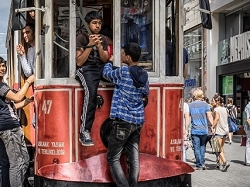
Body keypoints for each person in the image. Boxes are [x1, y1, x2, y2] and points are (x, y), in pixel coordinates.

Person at [103, 42, 149, 187]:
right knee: (133, 158)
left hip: (123, 120)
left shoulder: (124, 71)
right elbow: (145, 93)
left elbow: (106, 74)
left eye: (123, 53)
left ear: (128, 57)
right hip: (137, 121)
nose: (121, 55)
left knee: (113, 158)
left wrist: (109, 62)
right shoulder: (144, 74)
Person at [75, 11, 109, 146]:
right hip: (86, 69)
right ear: (88, 24)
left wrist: (100, 46)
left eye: (99, 23)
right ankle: (85, 131)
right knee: (91, 93)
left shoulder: (104, 39)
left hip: (100, 67)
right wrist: (90, 44)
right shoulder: (81, 38)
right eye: (94, 23)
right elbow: (79, 62)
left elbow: (105, 58)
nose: (97, 26)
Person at [0, 57, 35, 186]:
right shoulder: (1, 86)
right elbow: (17, 97)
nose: (2, 68)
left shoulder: (3, 86)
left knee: (12, 162)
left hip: (7, 128)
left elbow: (12, 106)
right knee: (18, 163)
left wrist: (27, 101)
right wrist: (28, 82)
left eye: (3, 65)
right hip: (9, 129)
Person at [187, 89, 213, 170]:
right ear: (201, 95)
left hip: (195, 129)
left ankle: (199, 164)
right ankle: (202, 163)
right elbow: (209, 116)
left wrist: (186, 128)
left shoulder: (190, 105)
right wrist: (212, 126)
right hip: (204, 129)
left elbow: (188, 117)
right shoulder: (206, 105)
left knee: (196, 147)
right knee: (202, 146)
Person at [211, 94, 230, 172]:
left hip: (219, 131)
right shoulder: (225, 109)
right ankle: (220, 163)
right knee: (221, 147)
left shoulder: (216, 109)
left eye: (212, 101)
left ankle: (225, 162)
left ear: (217, 102)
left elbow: (217, 118)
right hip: (225, 130)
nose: (212, 102)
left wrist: (212, 126)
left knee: (217, 149)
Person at [244, 96, 250, 166]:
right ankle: (248, 161)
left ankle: (247, 160)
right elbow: (248, 119)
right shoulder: (248, 106)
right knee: (249, 143)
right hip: (249, 128)